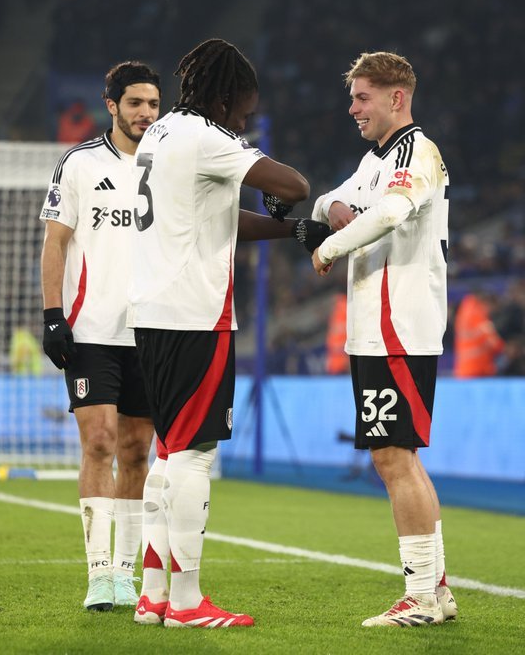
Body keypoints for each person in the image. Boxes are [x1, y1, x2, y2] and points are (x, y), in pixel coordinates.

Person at [127, 38, 311, 628]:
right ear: (228, 98)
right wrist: (285, 203)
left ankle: (153, 594)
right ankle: (186, 602)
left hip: (153, 313)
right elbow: (294, 185)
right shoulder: (211, 137)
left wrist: (289, 233)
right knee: (195, 457)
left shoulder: (159, 136)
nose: (248, 120)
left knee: (168, 452)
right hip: (195, 316)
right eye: (246, 109)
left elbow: (216, 219)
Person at [311, 51, 457, 627]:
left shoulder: (416, 152)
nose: (352, 108)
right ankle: (435, 591)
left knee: (394, 457)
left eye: (362, 97)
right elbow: (327, 201)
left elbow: (394, 212)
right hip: (375, 330)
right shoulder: (376, 159)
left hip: (400, 329)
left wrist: (330, 245)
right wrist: (339, 208)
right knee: (398, 457)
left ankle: (421, 596)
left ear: (397, 98)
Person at [40, 61, 161, 612]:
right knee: (100, 443)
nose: (146, 114)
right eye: (136, 103)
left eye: (154, 104)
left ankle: (123, 572)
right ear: (111, 105)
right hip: (91, 330)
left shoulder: (167, 166)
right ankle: (96, 575)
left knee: (139, 450)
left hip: (153, 330)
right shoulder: (80, 164)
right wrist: (52, 314)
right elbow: (56, 244)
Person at [453, 291, 505, 377]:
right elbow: (496, 345)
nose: (491, 311)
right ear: (487, 303)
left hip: (463, 369)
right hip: (479, 370)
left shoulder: (464, 311)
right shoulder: (481, 320)